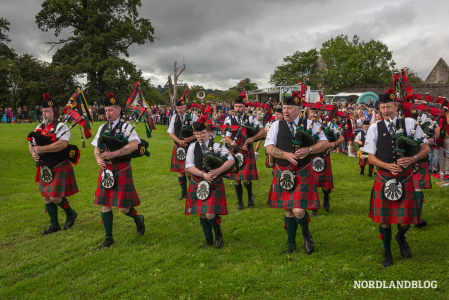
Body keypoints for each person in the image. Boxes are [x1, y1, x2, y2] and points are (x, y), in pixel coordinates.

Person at [364, 90, 429, 267]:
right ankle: (387, 253)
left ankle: (400, 237)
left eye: (389, 107)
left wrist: (413, 158)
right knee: (384, 220)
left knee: (405, 221)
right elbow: (370, 157)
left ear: (396, 107)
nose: (386, 111)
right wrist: (386, 166)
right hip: (384, 178)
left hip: (405, 177)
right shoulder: (374, 128)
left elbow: (426, 148)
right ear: (379, 109)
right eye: (382, 108)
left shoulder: (409, 123)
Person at [265, 92, 329, 254]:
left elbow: (324, 143)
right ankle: (291, 244)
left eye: (290, 108)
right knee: (288, 209)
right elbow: (269, 147)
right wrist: (286, 155)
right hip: (283, 170)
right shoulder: (276, 125)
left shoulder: (310, 123)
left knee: (298, 210)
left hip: (302, 170)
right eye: (284, 108)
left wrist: (309, 149)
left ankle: (306, 233)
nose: (286, 111)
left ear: (298, 110)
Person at [92, 93, 145, 249]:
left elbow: (135, 145)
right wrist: (98, 159)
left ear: (119, 110)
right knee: (105, 204)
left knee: (122, 207)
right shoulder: (102, 127)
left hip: (121, 168)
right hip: (106, 169)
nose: (107, 113)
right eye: (106, 110)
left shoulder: (126, 126)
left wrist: (114, 154)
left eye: (111, 110)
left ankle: (137, 218)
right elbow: (96, 146)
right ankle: (109, 238)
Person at [28, 93, 79, 235]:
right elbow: (31, 145)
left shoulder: (61, 126)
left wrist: (42, 149)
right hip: (44, 166)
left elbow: (62, 145)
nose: (44, 113)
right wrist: (33, 153)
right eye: (43, 111)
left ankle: (71, 213)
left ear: (54, 112)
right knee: (46, 196)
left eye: (47, 111)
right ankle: (54, 225)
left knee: (55, 197)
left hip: (59, 164)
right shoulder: (39, 127)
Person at [184, 116, 235, 248]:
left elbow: (231, 160)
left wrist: (218, 171)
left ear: (209, 132)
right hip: (198, 182)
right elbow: (189, 166)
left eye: (202, 133)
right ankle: (208, 240)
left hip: (214, 182)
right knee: (202, 214)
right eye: (197, 133)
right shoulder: (192, 147)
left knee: (210, 213)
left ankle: (218, 234)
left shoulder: (217, 146)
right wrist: (203, 174)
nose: (200, 135)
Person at [224, 96, 266, 211]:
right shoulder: (228, 120)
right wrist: (237, 146)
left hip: (248, 152)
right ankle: (240, 203)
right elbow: (226, 138)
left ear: (244, 107)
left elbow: (263, 131)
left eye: (240, 106)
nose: (238, 108)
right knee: (237, 179)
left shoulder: (251, 119)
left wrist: (253, 138)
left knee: (246, 179)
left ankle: (250, 194)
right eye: (236, 106)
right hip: (236, 151)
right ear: (234, 107)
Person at [310, 109, 345, 217]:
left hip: (324, 157)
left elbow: (342, 138)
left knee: (325, 186)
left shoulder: (328, 124)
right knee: (312, 185)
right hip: (311, 157)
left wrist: (334, 143)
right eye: (312, 111)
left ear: (321, 113)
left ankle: (326, 197)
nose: (314, 113)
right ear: (308, 113)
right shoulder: (307, 124)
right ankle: (314, 207)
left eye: (317, 111)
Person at [167, 98, 198, 200]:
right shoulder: (174, 117)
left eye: (180, 108)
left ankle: (192, 191)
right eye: (177, 108)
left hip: (190, 147)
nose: (179, 110)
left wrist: (191, 138)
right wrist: (179, 141)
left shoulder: (193, 117)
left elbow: (199, 133)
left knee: (189, 170)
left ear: (185, 108)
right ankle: (184, 193)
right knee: (180, 171)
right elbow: (170, 133)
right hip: (178, 146)